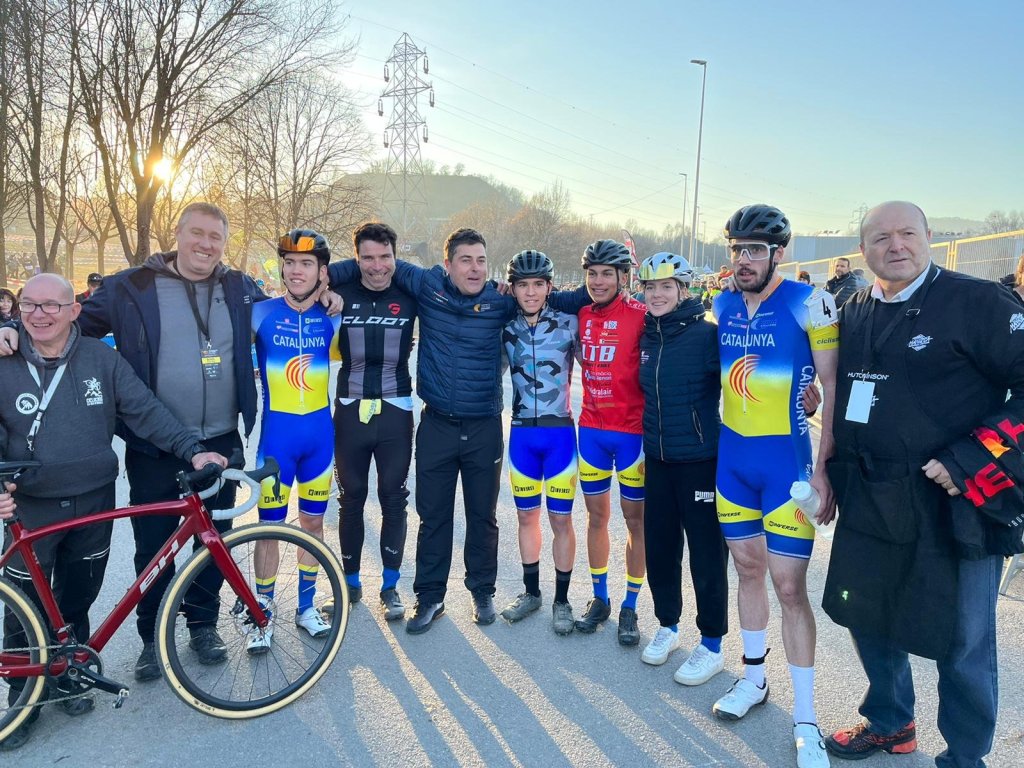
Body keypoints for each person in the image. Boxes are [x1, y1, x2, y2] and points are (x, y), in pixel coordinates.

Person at [821, 201, 1024, 767]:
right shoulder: (854, 308)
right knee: (867, 613)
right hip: (870, 493)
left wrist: (970, 458)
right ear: (862, 249)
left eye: (907, 233)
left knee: (962, 640)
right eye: (881, 237)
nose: (896, 246)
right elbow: (849, 390)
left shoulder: (979, 302)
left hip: (956, 502)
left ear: (929, 237)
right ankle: (891, 723)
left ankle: (965, 757)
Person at [0, 274, 226, 750]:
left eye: (51, 306)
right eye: (30, 305)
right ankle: (22, 701)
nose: (39, 314)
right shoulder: (4, 359)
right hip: (30, 506)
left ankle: (68, 676)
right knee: (23, 606)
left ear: (74, 311)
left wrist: (193, 450)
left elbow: (146, 411)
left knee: (77, 595)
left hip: (93, 498)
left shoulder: (101, 359)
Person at [326, 228, 587, 634]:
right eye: (466, 260)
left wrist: (599, 286)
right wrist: (324, 278)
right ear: (447, 265)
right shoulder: (426, 286)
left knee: (483, 516)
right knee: (433, 516)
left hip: (484, 424)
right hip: (438, 424)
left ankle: (482, 591)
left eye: (481, 260)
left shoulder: (502, 301)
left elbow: (555, 295)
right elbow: (375, 263)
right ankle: (430, 597)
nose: (475, 268)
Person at [712, 204, 838, 768]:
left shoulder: (811, 302)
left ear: (778, 254)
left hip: (787, 467)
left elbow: (830, 388)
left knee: (789, 588)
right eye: (737, 249)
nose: (744, 259)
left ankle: (806, 718)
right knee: (747, 570)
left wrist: (823, 468)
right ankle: (754, 679)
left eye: (756, 250)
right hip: (732, 464)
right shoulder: (720, 304)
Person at [245, 229, 341, 654]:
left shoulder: (334, 316)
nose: (296, 270)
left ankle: (306, 606)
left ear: (322, 272)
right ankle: (261, 613)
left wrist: (334, 295)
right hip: (276, 441)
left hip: (320, 439)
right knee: (269, 528)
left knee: (313, 525)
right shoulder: (259, 314)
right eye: (289, 263)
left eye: (306, 264)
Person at [636, 252, 729, 686]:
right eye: (650, 287)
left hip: (700, 461)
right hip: (657, 460)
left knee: (707, 555)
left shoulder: (707, 334)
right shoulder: (647, 335)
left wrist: (805, 396)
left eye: (665, 287)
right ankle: (668, 626)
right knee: (660, 547)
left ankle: (711, 643)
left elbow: (747, 379)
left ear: (683, 289)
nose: (656, 295)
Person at [330, 222, 417, 621]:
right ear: (356, 259)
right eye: (367, 257)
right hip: (350, 410)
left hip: (396, 409)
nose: (377, 266)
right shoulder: (339, 292)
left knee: (393, 498)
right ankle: (349, 584)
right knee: (351, 498)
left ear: (395, 257)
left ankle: (390, 587)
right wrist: (330, 284)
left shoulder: (410, 293)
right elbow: (312, 274)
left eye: (385, 257)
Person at [499, 250, 579, 634]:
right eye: (522, 285)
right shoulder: (505, 328)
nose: (530, 292)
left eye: (537, 284)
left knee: (561, 519)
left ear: (549, 287)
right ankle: (531, 593)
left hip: (560, 434)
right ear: (512, 288)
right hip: (521, 436)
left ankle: (562, 600)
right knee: (526, 517)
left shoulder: (569, 324)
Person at [573, 239, 648, 646]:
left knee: (636, 521)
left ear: (623, 277)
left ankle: (630, 605)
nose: (598, 281)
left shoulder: (641, 315)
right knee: (596, 518)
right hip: (592, 431)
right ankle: (600, 598)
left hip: (632, 433)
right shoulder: (581, 313)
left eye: (607, 274)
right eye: (592, 273)